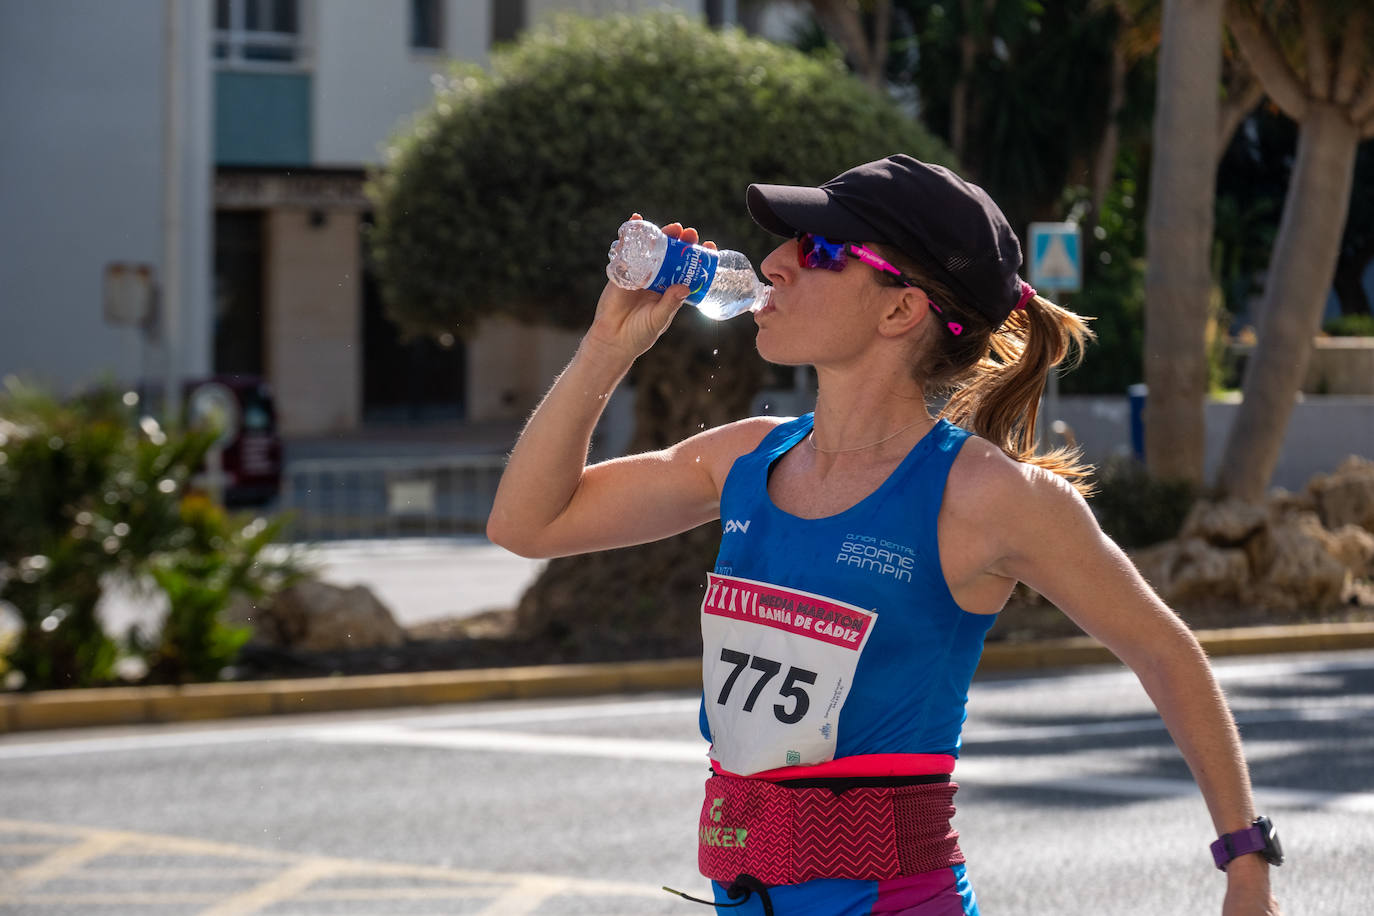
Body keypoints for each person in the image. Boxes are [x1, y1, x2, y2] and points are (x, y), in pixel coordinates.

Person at [486, 155, 1281, 916]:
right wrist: (607, 347)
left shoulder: (988, 497)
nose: (773, 263)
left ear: (900, 309)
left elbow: (1164, 651)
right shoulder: (744, 459)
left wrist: (1247, 866)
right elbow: (527, 523)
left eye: (819, 250)